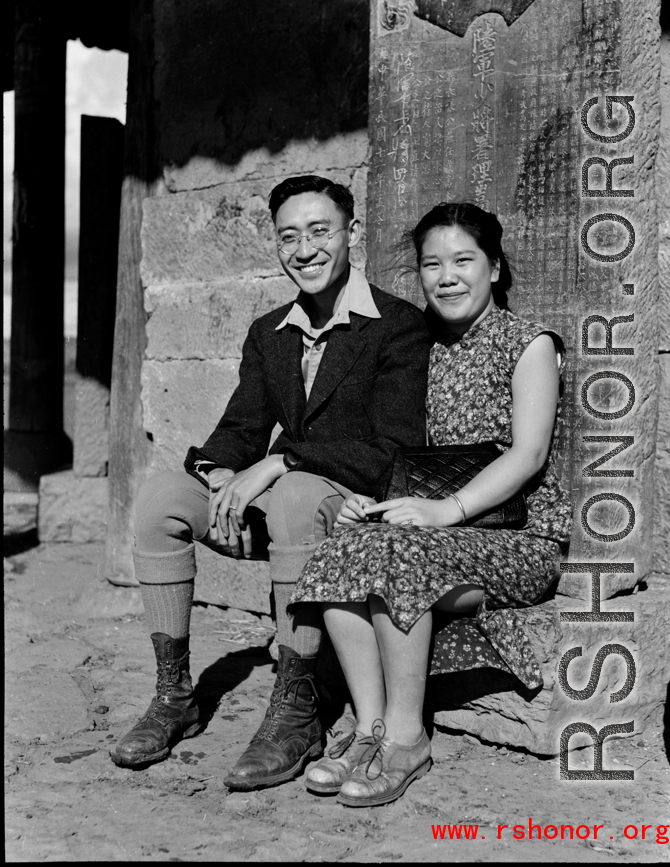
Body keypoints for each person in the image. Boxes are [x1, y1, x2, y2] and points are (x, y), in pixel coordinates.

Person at [109, 175, 431, 791]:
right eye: (289, 237)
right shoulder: (269, 333)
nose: (304, 250)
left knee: (297, 492)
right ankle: (174, 695)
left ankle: (297, 710)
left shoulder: (397, 325)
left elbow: (394, 450)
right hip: (284, 505)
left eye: (320, 232)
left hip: (353, 505)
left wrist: (281, 462)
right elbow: (240, 426)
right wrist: (222, 473)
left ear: (350, 234)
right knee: (160, 499)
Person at [292, 202, 572, 808]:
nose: (446, 277)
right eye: (431, 264)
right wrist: (368, 503)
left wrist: (449, 510)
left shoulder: (529, 345)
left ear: (494, 268)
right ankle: (368, 729)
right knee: (347, 546)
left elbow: (526, 456)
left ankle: (406, 737)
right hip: (432, 528)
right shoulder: (420, 343)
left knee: (400, 558)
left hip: (517, 536)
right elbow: (400, 453)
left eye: (463, 261)